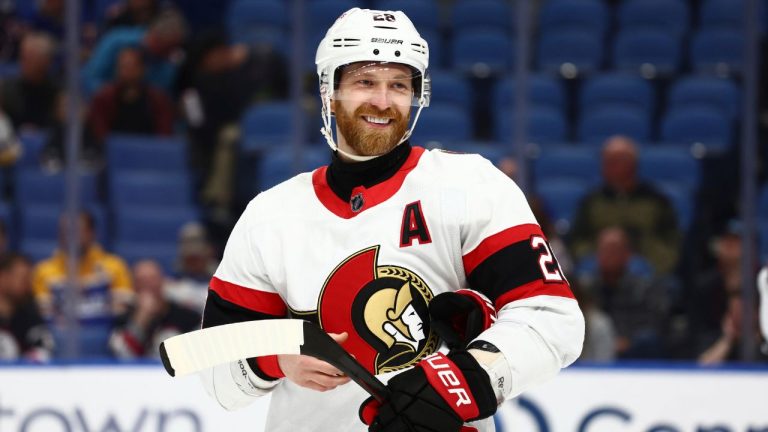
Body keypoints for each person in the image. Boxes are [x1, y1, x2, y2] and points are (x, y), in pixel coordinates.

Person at [197, 8, 584, 432]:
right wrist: (277, 357)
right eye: (365, 81)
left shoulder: (471, 185)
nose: (383, 101)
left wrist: (466, 378)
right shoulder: (270, 215)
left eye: (398, 85)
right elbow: (215, 372)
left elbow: (553, 319)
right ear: (329, 91)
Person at [568, 135, 681, 274]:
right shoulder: (592, 200)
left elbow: (670, 242)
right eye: (605, 161)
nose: (606, 166)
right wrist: (599, 254)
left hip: (646, 269)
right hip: (599, 270)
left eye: (614, 161)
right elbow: (577, 241)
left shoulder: (656, 200)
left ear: (632, 164)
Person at [32, 211, 133, 356]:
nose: (69, 236)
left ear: (92, 233)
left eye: (76, 231)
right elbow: (45, 315)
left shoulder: (114, 267)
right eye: (64, 231)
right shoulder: (44, 271)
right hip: (59, 342)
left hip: (106, 340)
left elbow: (121, 313)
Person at [576, 226, 670, 359]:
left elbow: (653, 323)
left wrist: (627, 340)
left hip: (632, 349)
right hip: (594, 348)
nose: (608, 255)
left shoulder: (643, 288)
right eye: (604, 250)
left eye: (614, 250)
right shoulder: (588, 288)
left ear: (627, 254)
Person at [81, 8, 186, 96]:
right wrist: (115, 97)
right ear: (154, 37)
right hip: (105, 105)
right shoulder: (116, 40)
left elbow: (161, 98)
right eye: (166, 48)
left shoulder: (168, 64)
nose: (168, 53)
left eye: (173, 48)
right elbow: (89, 79)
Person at [109, 259, 200, 358]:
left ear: (163, 281)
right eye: (142, 281)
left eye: (153, 279)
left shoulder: (186, 317)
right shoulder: (123, 318)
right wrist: (141, 319)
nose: (149, 285)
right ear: (134, 287)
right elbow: (122, 355)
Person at [87, 46, 175, 144]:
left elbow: (165, 134)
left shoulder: (158, 99)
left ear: (142, 69)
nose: (127, 71)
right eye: (123, 67)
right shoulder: (103, 98)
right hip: (112, 153)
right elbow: (99, 133)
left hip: (150, 153)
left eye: (132, 67)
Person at [0, 32, 59, 131]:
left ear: (46, 62)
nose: (23, 63)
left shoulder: (57, 93)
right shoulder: (6, 90)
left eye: (31, 58)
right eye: (23, 57)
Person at [0, 253, 54, 361]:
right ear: (2, 277)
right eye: (23, 278)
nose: (28, 284)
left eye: (30, 279)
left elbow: (44, 350)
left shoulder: (30, 317)